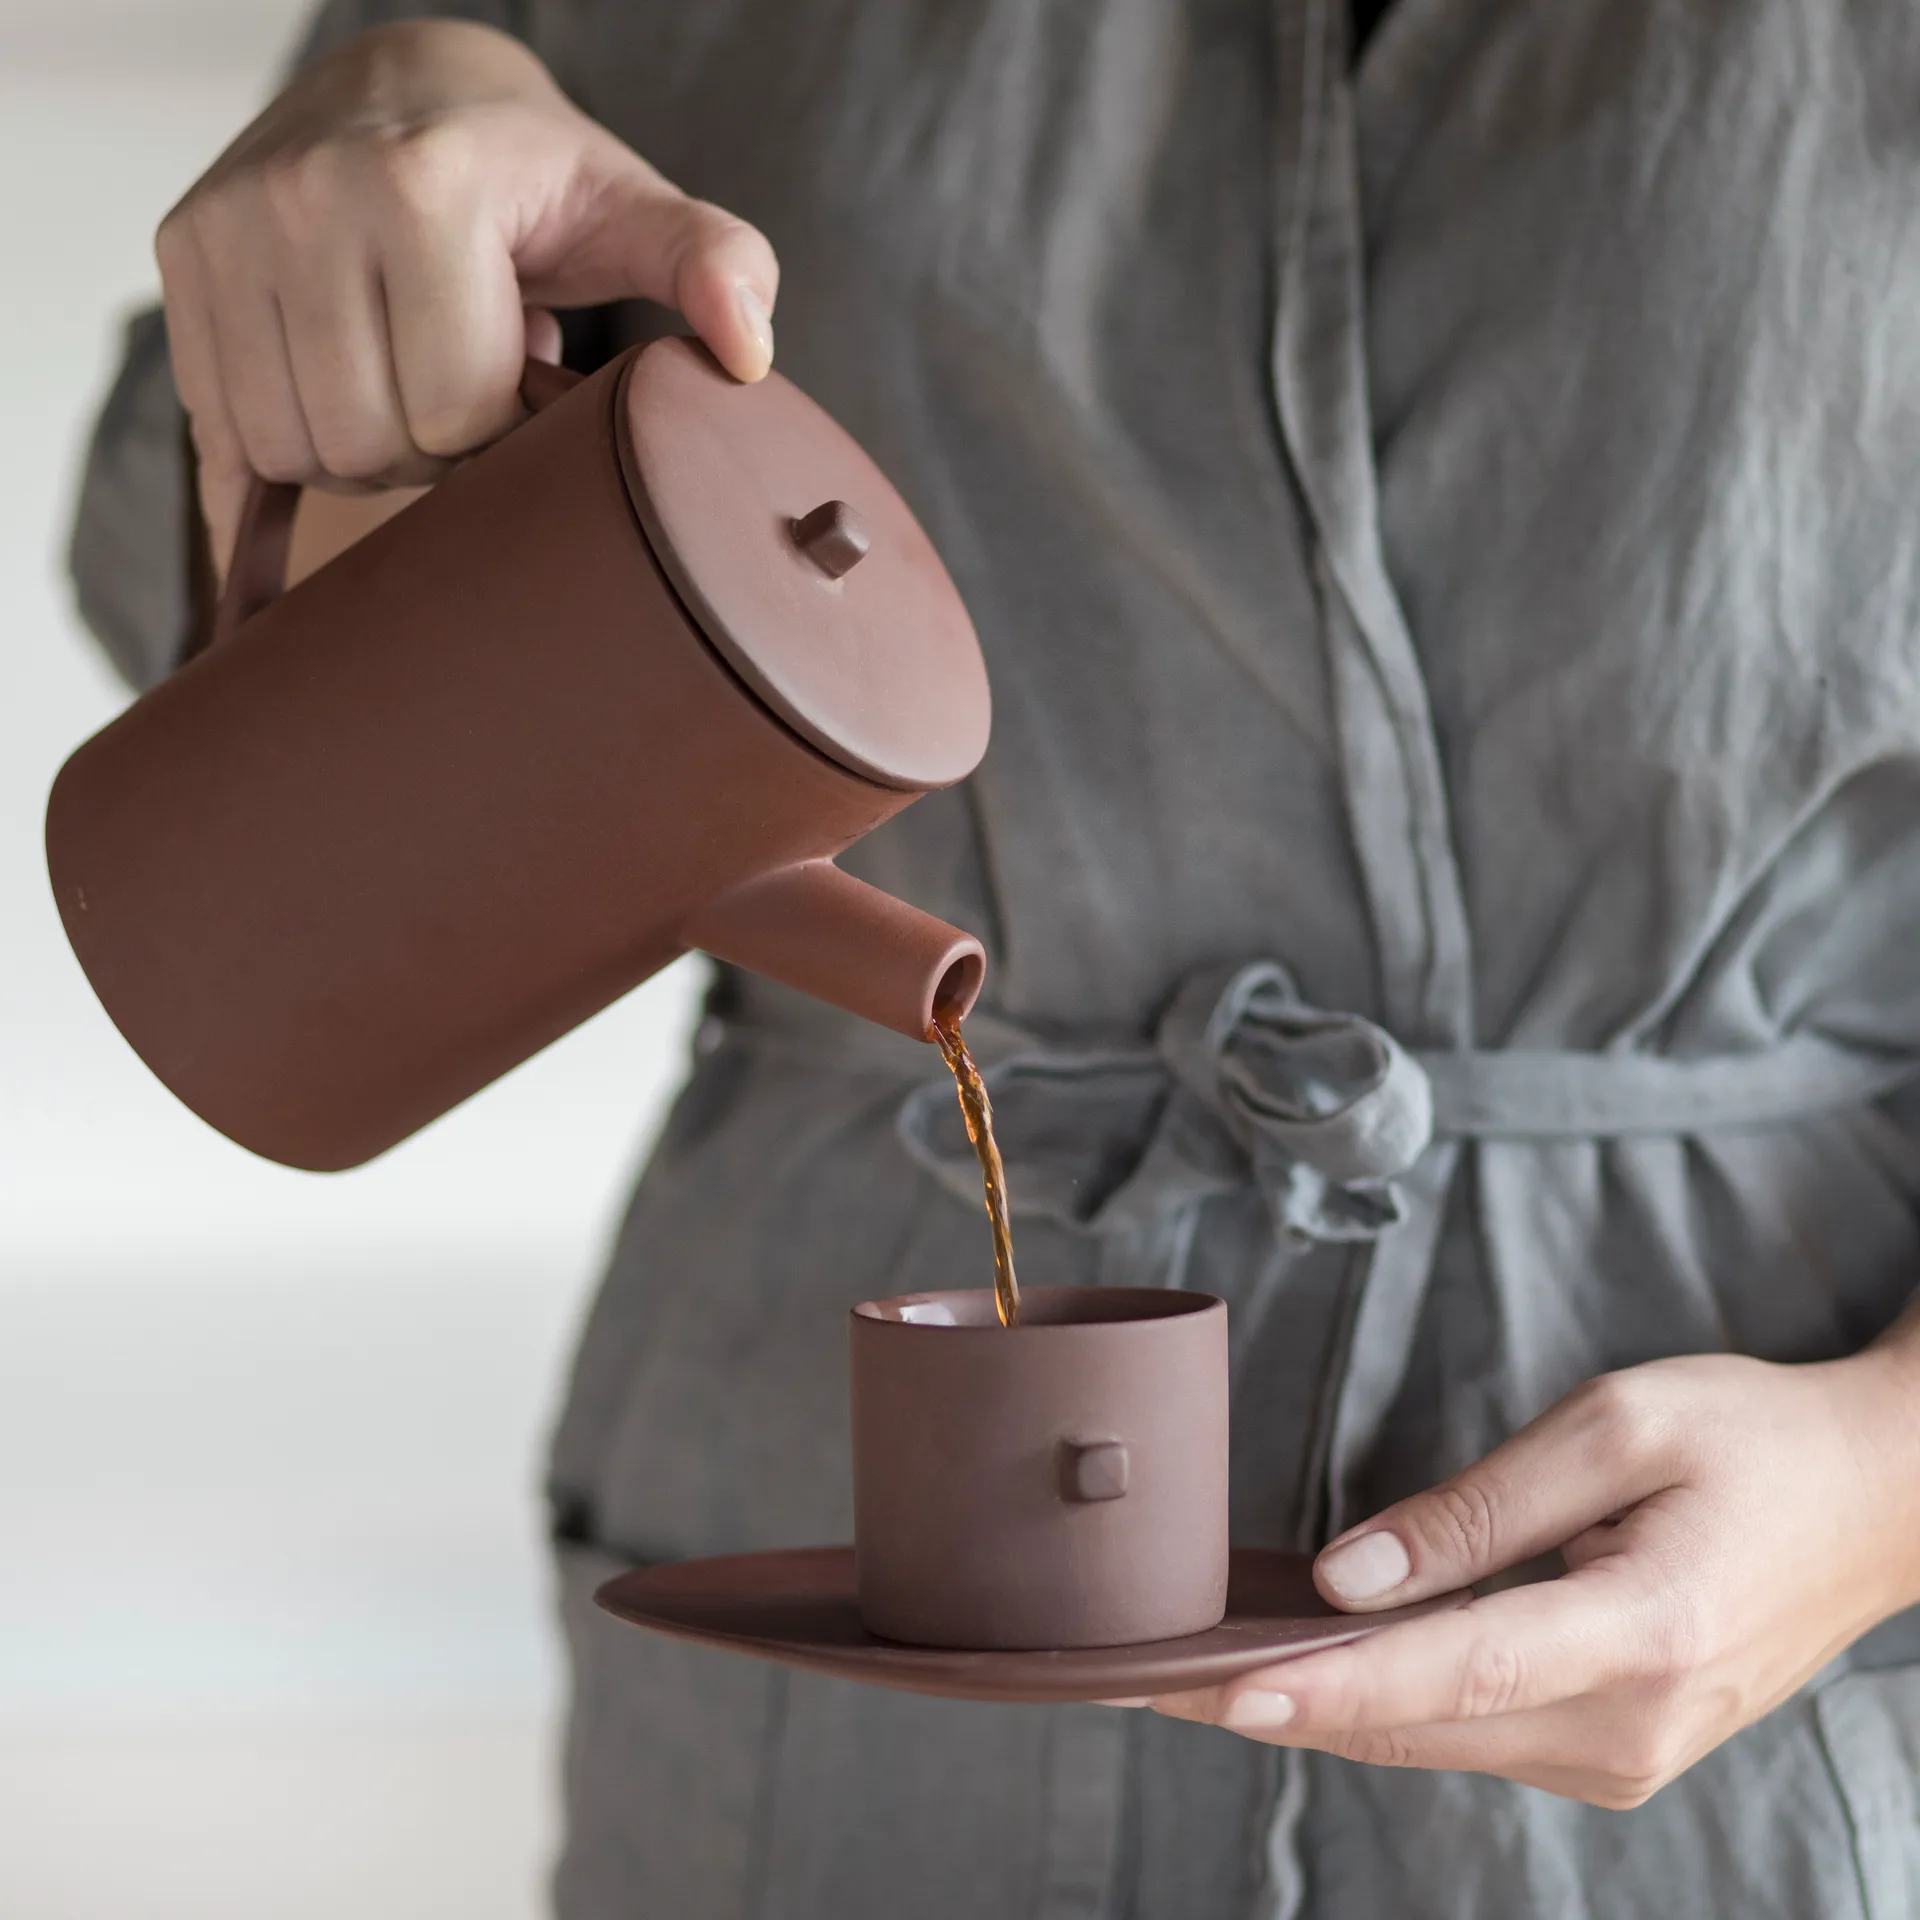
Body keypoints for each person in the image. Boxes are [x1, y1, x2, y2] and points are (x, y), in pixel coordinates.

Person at [67, 2, 1920, 1915]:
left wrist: (1893, 1480)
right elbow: (194, 575)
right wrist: (390, 109)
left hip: (1742, 1657)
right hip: (835, 1670)